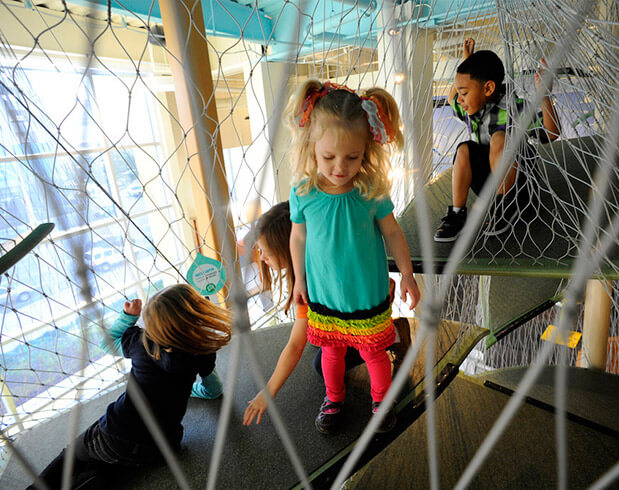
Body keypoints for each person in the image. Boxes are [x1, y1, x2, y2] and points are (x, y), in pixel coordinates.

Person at [287, 80, 420, 434]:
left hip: (367, 295)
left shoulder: (370, 190)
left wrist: (407, 274)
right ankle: (333, 398)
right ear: (311, 147)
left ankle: (381, 401)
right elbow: (298, 235)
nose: (340, 167)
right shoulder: (304, 192)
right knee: (330, 355)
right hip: (325, 295)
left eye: (353, 156)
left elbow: (392, 232)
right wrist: (298, 278)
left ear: (367, 150)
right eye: (328, 157)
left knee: (374, 354)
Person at [29, 284, 232, 489]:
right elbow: (214, 390)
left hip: (117, 433)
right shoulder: (203, 350)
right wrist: (191, 389)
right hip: (163, 448)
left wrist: (127, 316)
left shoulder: (140, 342)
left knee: (74, 454)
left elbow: (107, 344)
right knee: (115, 464)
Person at [242, 201, 411, 427]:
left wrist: (269, 390)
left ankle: (395, 335)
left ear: (289, 249)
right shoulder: (310, 272)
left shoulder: (316, 282)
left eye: (266, 252)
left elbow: (294, 345)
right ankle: (335, 396)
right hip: (338, 316)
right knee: (326, 349)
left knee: (336, 359)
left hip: (366, 313)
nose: (261, 257)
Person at [433, 39, 561, 242]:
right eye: (459, 92)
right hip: (491, 184)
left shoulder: (515, 108)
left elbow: (552, 133)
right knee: (464, 149)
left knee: (499, 138)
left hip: (521, 186)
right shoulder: (472, 110)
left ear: (489, 88)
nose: (459, 99)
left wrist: (544, 95)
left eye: (464, 93)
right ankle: (458, 213)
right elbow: (451, 99)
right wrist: (467, 61)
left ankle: (505, 206)